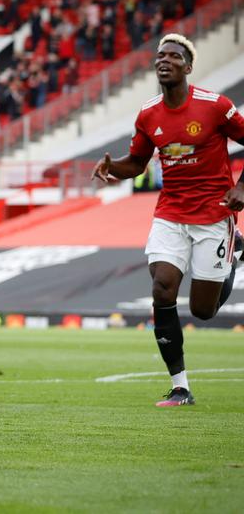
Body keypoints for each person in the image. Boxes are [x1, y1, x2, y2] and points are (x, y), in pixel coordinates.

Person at [92, 34, 244, 407]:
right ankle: (180, 387)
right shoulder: (148, 114)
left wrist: (242, 186)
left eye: (174, 56)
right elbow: (136, 163)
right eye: (160, 55)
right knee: (162, 288)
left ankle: (234, 255)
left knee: (203, 311)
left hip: (213, 213)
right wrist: (112, 168)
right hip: (170, 213)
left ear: (188, 67)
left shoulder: (215, 106)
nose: (164, 60)